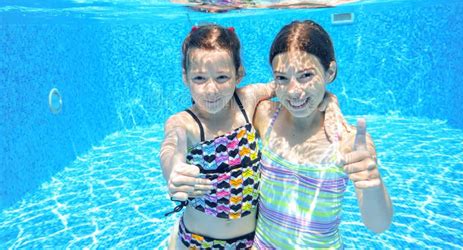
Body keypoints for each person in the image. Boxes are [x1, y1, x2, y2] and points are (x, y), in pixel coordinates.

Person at [253, 20, 393, 249]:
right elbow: (229, 99)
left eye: (306, 75)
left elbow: (378, 225)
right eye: (282, 78)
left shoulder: (347, 141)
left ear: (330, 72)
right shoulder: (266, 116)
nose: (293, 91)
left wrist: (371, 181)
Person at [159, 24, 275, 249]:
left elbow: (287, 87)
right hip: (197, 243)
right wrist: (173, 170)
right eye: (199, 78)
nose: (211, 90)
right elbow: (172, 145)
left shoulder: (247, 100)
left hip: (250, 241)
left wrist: (329, 102)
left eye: (222, 77)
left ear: (239, 74)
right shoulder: (184, 122)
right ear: (185, 77)